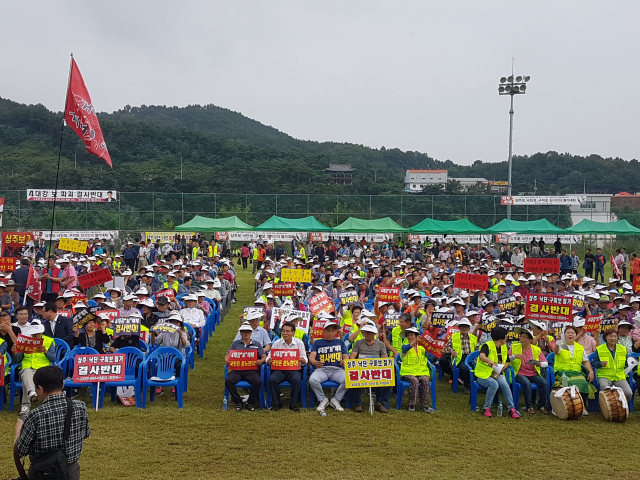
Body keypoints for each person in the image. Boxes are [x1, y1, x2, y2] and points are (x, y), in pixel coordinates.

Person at [15, 365, 91, 480]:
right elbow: (86, 434)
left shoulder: (35, 415)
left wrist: (18, 432)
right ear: (63, 384)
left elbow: (21, 451)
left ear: (40, 389)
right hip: (71, 471)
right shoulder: (81, 407)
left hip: (42, 473)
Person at [474, 327, 520, 418]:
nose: (507, 338)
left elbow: (507, 361)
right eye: (506, 337)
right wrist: (488, 360)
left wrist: (503, 367)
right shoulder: (486, 345)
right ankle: (487, 407)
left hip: (497, 373)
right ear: (500, 339)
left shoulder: (504, 347)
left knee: (505, 385)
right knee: (494, 384)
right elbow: (482, 356)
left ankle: (511, 408)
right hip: (483, 374)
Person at [12, 320, 56, 416]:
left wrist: (45, 351)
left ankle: (26, 404)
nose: (35, 336)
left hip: (43, 369)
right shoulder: (25, 341)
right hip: (27, 368)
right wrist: (15, 352)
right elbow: (16, 361)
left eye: (37, 334)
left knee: (26, 380)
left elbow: (54, 358)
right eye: (33, 334)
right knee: (26, 374)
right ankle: (31, 393)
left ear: (41, 332)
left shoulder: (49, 341)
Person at [348, 321, 392, 413]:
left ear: (374, 334)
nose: (366, 334)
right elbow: (352, 356)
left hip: (375, 370)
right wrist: (353, 364)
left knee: (389, 378)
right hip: (361, 369)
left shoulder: (380, 344)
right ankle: (357, 403)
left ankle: (381, 403)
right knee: (353, 376)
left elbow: (384, 358)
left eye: (369, 332)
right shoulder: (358, 343)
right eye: (365, 332)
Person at [553, 325, 596, 415]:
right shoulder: (561, 345)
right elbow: (556, 352)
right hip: (562, 372)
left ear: (576, 335)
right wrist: (557, 342)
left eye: (572, 333)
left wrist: (591, 371)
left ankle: (582, 406)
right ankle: (565, 406)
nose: (570, 335)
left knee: (583, 383)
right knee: (570, 382)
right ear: (564, 335)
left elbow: (586, 361)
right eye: (568, 333)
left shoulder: (580, 347)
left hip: (576, 372)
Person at [225, 321, 266, 411]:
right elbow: (228, 354)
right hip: (237, 370)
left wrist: (261, 361)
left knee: (257, 382)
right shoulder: (235, 343)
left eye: (248, 331)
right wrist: (226, 359)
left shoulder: (257, 344)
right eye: (243, 331)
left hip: (251, 370)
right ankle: (238, 401)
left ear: (251, 333)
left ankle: (250, 402)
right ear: (240, 333)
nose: (245, 333)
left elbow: (263, 356)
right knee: (228, 381)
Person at [308, 320, 348, 413]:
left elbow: (346, 356)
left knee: (348, 379)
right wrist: (314, 362)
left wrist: (345, 361)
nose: (330, 333)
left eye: (332, 331)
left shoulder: (340, 342)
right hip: (322, 369)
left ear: (335, 332)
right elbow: (312, 356)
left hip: (337, 369)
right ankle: (323, 399)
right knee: (312, 380)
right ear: (324, 332)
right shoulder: (318, 342)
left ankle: (336, 399)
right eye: (328, 331)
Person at [267, 320, 307, 412]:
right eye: (283, 331)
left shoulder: (299, 343)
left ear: (293, 332)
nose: (285, 333)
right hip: (280, 369)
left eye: (288, 331)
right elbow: (269, 356)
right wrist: (268, 360)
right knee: (272, 380)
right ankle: (277, 403)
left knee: (296, 380)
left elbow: (304, 357)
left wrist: (303, 360)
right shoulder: (277, 343)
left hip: (294, 369)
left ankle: (293, 404)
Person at [510, 329, 549, 414]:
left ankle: (541, 405)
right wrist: (514, 356)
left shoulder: (536, 349)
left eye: (525, 337)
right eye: (521, 337)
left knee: (544, 383)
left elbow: (546, 363)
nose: (522, 339)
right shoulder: (514, 347)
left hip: (532, 373)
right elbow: (506, 360)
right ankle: (529, 406)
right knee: (526, 383)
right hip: (519, 373)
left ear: (531, 340)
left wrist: (539, 364)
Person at [590, 328, 633, 401]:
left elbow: (626, 364)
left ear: (617, 338)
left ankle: (621, 405)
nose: (613, 338)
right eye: (610, 336)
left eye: (615, 336)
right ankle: (606, 408)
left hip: (619, 376)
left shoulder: (623, 349)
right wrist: (600, 363)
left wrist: (629, 367)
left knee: (628, 393)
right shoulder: (600, 349)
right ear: (606, 337)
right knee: (604, 389)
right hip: (604, 375)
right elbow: (594, 363)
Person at [398, 327, 435, 413]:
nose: (409, 337)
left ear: (417, 336)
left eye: (412, 335)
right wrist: (415, 341)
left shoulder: (422, 347)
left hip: (421, 372)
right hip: (407, 372)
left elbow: (430, 357)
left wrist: (436, 351)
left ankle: (425, 406)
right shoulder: (404, 346)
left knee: (425, 381)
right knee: (414, 381)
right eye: (408, 335)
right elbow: (405, 349)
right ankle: (411, 405)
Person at [441, 318, 476, 393]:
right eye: (462, 326)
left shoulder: (473, 338)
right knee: (465, 369)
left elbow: (477, 349)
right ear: (459, 328)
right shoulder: (454, 336)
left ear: (469, 328)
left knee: (476, 367)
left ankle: (474, 384)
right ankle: (467, 386)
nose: (464, 328)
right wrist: (452, 351)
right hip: (459, 358)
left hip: (471, 358)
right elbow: (446, 348)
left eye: (466, 326)